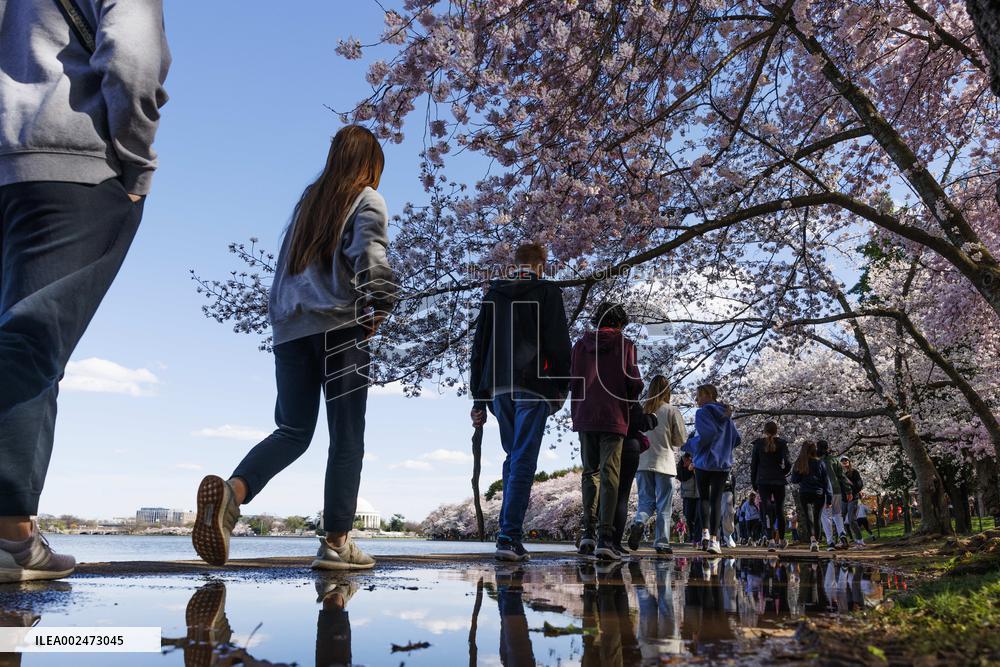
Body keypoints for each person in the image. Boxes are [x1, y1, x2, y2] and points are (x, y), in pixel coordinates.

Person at [0, 0, 170, 582]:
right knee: (33, 340)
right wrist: (135, 164)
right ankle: (10, 535)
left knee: (22, 340)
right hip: (70, 161)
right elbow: (133, 60)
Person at [192, 126, 397, 570]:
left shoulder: (308, 205)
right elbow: (371, 257)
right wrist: (378, 306)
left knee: (292, 432)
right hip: (342, 330)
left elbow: (285, 272)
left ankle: (233, 492)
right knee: (346, 437)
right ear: (369, 164)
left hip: (290, 331)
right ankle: (337, 543)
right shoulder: (365, 199)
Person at [469, 242, 572, 562]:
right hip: (533, 386)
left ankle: (506, 533)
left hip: (498, 388)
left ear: (515, 263)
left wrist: (478, 398)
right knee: (524, 460)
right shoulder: (546, 292)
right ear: (542, 264)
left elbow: (479, 347)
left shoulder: (493, 294)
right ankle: (508, 536)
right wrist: (560, 389)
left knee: (514, 457)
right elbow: (558, 344)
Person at [571, 302, 643, 561]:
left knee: (590, 472)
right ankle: (605, 537)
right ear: (621, 323)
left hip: (585, 413)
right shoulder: (625, 345)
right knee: (610, 473)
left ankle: (587, 533)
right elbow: (634, 383)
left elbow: (571, 379)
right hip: (613, 414)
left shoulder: (579, 345)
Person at [628, 375, 687, 554]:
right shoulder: (671, 410)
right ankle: (661, 542)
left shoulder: (643, 409)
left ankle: (638, 522)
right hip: (664, 463)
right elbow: (681, 439)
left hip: (643, 462)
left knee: (645, 501)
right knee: (664, 504)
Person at [682, 384, 740, 555]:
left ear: (708, 395)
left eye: (698, 396)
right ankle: (715, 540)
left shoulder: (702, 412)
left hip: (704, 462)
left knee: (704, 499)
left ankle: (705, 532)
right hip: (722, 464)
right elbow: (737, 439)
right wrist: (724, 449)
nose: (696, 400)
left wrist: (690, 445)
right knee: (716, 501)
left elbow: (707, 435)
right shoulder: (727, 414)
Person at [612, 403, 657, 555]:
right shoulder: (630, 400)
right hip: (630, 445)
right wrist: (651, 419)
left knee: (606, 492)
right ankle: (615, 542)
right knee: (622, 496)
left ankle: (597, 536)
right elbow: (639, 423)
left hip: (607, 443)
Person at [750, 421, 792, 551]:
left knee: (767, 509)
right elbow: (788, 463)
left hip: (763, 480)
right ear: (776, 430)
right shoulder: (782, 443)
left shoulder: (758, 444)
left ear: (764, 431)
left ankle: (770, 539)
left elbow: (754, 465)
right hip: (778, 480)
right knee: (779, 509)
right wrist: (782, 473)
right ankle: (782, 539)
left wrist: (754, 482)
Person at [790, 440, 831, 553]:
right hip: (819, 493)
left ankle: (812, 540)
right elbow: (826, 481)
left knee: (809, 518)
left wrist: (802, 477)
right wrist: (829, 497)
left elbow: (794, 480)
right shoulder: (820, 463)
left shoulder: (799, 463)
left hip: (805, 492)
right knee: (817, 517)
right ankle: (816, 542)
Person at [817, 441, 849, 551]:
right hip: (837, 490)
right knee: (837, 514)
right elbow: (842, 476)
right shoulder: (834, 459)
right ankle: (842, 534)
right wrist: (848, 491)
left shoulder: (818, 461)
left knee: (825, 517)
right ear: (828, 448)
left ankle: (830, 542)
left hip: (825, 491)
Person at [677, 453, 702, 548]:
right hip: (688, 494)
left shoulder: (702, 455)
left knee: (698, 516)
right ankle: (692, 534)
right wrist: (688, 469)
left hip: (700, 493)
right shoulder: (683, 459)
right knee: (688, 515)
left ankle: (697, 538)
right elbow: (680, 476)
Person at [840, 455, 866, 547]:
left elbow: (859, 485)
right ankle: (842, 540)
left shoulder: (854, 472)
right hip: (843, 499)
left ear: (849, 462)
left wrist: (851, 487)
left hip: (853, 498)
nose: (844, 462)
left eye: (846, 460)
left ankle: (859, 539)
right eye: (842, 461)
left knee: (851, 519)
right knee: (839, 519)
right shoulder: (838, 474)